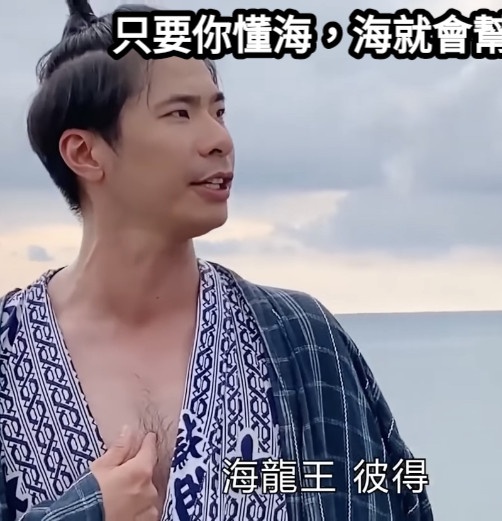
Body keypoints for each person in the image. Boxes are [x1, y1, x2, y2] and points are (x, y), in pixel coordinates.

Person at [0, 1, 433, 520]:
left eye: (219, 112)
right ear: (85, 154)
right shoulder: (8, 353)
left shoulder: (303, 338)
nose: (220, 141)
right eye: (180, 113)